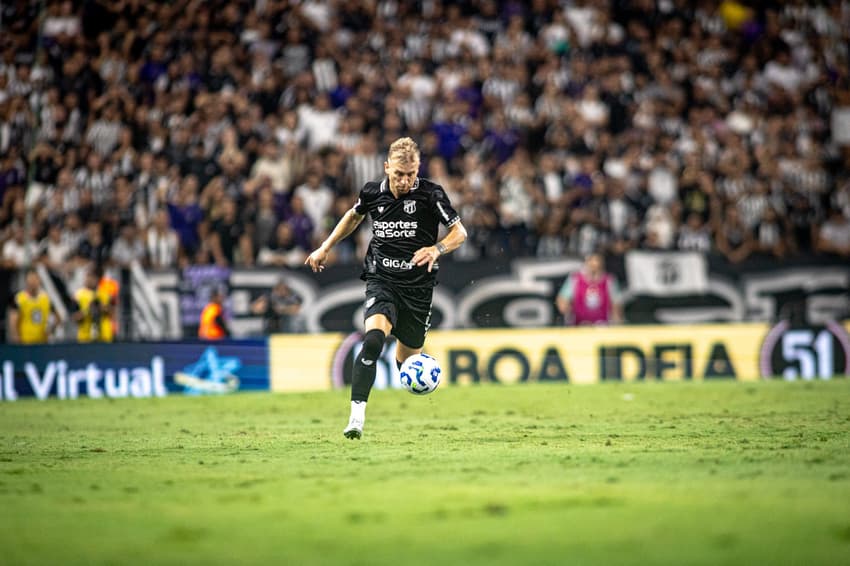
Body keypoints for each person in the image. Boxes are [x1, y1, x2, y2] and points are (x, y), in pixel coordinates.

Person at [306, 137, 467, 440]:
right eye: (398, 174)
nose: (405, 181)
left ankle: (409, 369)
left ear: (418, 169)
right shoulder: (372, 193)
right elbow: (353, 216)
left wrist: (437, 249)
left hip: (418, 289)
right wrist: (325, 247)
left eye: (411, 174)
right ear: (386, 168)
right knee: (373, 339)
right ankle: (356, 418)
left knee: (407, 363)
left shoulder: (431, 194)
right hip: (382, 280)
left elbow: (460, 232)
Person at [555, 253, 623, 326]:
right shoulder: (575, 279)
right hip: (578, 325)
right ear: (586, 263)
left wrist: (616, 323)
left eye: (597, 263)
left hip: (602, 325)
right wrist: (567, 310)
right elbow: (562, 300)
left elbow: (616, 305)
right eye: (591, 263)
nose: (594, 266)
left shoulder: (609, 280)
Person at [8, 268, 60, 344]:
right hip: (25, 342)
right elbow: (13, 322)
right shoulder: (19, 299)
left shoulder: (46, 299)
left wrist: (50, 330)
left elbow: (58, 318)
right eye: (31, 279)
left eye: (35, 279)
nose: (33, 282)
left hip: (42, 342)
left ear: (39, 281)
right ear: (26, 281)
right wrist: (17, 339)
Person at [73, 267, 115, 343]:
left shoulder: (105, 294)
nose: (90, 279)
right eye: (88, 276)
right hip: (85, 338)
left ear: (97, 278)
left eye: (93, 276)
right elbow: (75, 318)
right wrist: (88, 310)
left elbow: (112, 313)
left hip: (104, 337)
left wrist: (102, 308)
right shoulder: (78, 295)